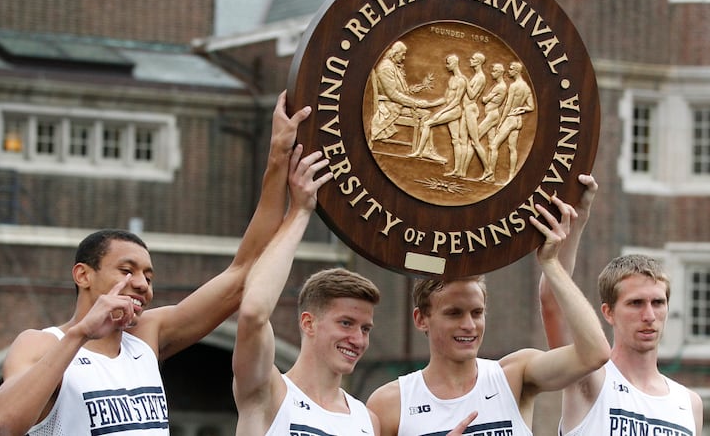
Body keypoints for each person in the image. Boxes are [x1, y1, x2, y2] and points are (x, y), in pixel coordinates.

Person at [0, 91, 312, 436]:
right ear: (83, 275)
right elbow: (1, 426)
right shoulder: (42, 344)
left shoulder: (146, 336)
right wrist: (80, 333)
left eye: (149, 276)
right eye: (127, 271)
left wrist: (278, 157)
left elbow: (243, 274)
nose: (142, 284)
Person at [366, 191, 611, 436]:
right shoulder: (390, 403)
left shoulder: (513, 375)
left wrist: (551, 264)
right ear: (421, 319)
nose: (469, 325)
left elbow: (594, 354)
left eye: (477, 312)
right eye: (454, 313)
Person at [232, 142, 384, 435]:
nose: (357, 339)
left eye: (365, 329)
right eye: (346, 323)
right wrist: (299, 212)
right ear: (308, 322)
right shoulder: (268, 393)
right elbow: (252, 313)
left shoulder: (368, 421)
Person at [539, 174, 703, 435]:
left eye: (658, 303)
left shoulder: (689, 403)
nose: (649, 315)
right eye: (636, 303)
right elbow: (552, 304)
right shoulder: (590, 377)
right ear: (608, 312)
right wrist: (578, 220)